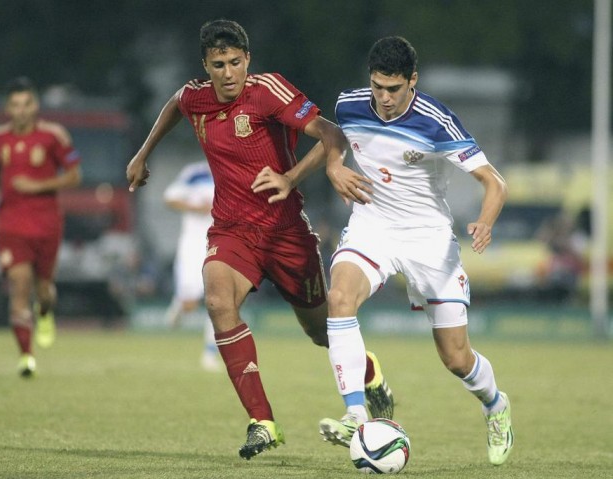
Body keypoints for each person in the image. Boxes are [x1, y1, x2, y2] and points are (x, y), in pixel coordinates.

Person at [126, 19, 394, 460]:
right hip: (232, 231)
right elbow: (176, 103)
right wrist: (143, 152)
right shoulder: (196, 97)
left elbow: (331, 132)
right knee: (218, 301)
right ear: (206, 66)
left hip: (286, 233)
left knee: (321, 331)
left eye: (236, 62)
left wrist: (292, 177)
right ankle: (263, 422)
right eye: (219, 65)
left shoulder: (267, 91)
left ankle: (369, 371)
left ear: (247, 59)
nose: (228, 72)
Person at [314, 36, 512, 466]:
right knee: (339, 297)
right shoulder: (350, 104)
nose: (384, 98)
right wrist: (333, 165)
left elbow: (494, 182)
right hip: (372, 225)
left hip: (428, 239)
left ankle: (495, 404)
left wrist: (485, 221)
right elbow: (335, 135)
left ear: (413, 81)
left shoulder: (437, 122)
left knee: (455, 357)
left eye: (393, 89)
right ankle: (355, 415)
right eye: (377, 87)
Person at [0, 77, 82, 377]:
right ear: (8, 108)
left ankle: (44, 312)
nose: (21, 110)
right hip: (10, 223)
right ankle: (26, 357)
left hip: (46, 223)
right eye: (15, 105)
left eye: (26, 104)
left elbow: (75, 175)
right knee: (19, 284)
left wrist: (37, 185)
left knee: (44, 290)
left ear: (35, 105)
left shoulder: (54, 135)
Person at [162, 160, 221, 372]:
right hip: (193, 244)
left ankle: (209, 354)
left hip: (221, 242)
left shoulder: (236, 172)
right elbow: (169, 198)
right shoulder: (195, 173)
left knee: (218, 299)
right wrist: (196, 208)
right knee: (190, 303)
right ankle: (179, 305)